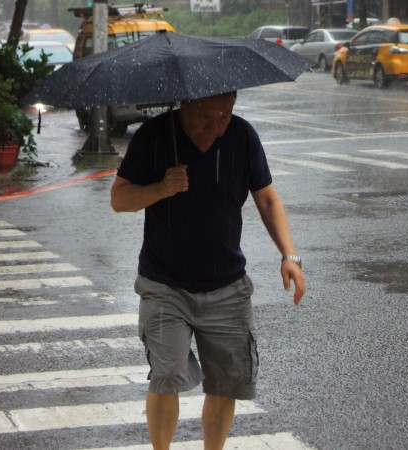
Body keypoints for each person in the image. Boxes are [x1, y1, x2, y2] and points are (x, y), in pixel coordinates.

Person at [110, 91, 306, 450]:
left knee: (226, 382)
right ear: (184, 104)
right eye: (204, 116)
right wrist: (160, 188)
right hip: (164, 284)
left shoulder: (242, 136)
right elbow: (119, 199)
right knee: (167, 374)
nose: (214, 127)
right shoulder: (153, 136)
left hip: (227, 286)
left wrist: (289, 256)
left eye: (224, 116)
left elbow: (267, 198)